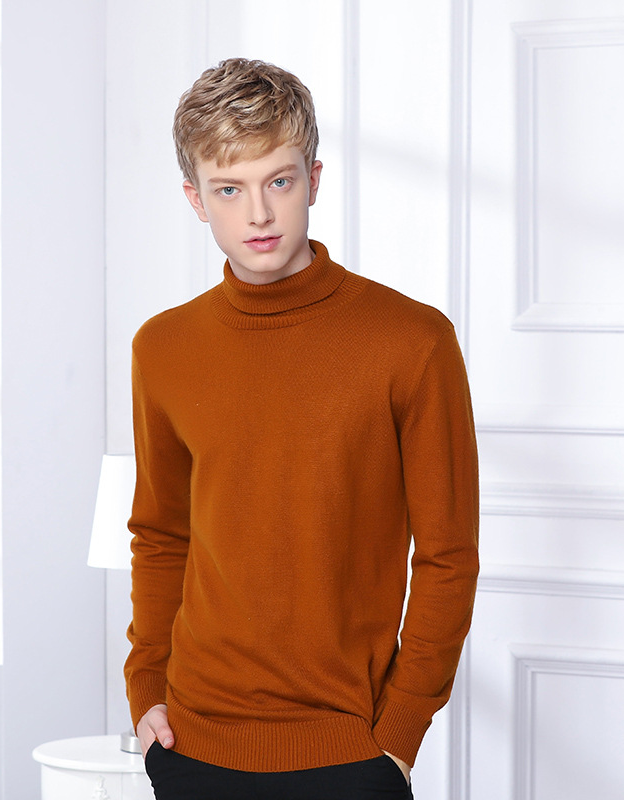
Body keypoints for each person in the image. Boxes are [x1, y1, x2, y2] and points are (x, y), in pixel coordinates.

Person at [124, 58, 479, 800]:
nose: (258, 213)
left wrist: (400, 732)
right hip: (191, 746)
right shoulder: (162, 347)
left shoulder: (413, 341)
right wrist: (146, 686)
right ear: (195, 199)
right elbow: (161, 534)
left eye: (278, 182)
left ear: (313, 181)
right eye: (229, 189)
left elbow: (448, 556)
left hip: (350, 752)